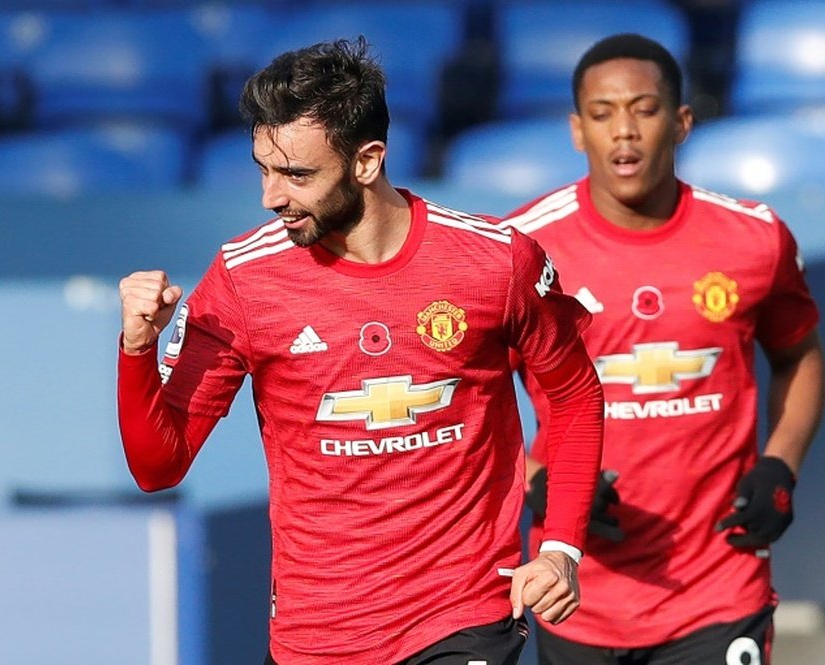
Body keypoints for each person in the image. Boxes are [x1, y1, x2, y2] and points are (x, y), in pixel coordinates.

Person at [116, 38, 604, 665]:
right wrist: (137, 347)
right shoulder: (242, 279)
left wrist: (561, 547)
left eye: (296, 175)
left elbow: (574, 396)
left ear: (367, 161)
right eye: (263, 169)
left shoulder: (496, 261)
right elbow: (159, 466)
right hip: (316, 635)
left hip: (462, 617)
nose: (271, 196)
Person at [504, 33, 825, 665]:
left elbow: (800, 356)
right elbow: (468, 398)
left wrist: (780, 467)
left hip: (718, 588)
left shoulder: (754, 239)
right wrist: (536, 481)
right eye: (602, 114)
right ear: (576, 129)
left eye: (644, 110)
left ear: (681, 123)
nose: (623, 131)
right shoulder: (521, 251)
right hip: (575, 589)